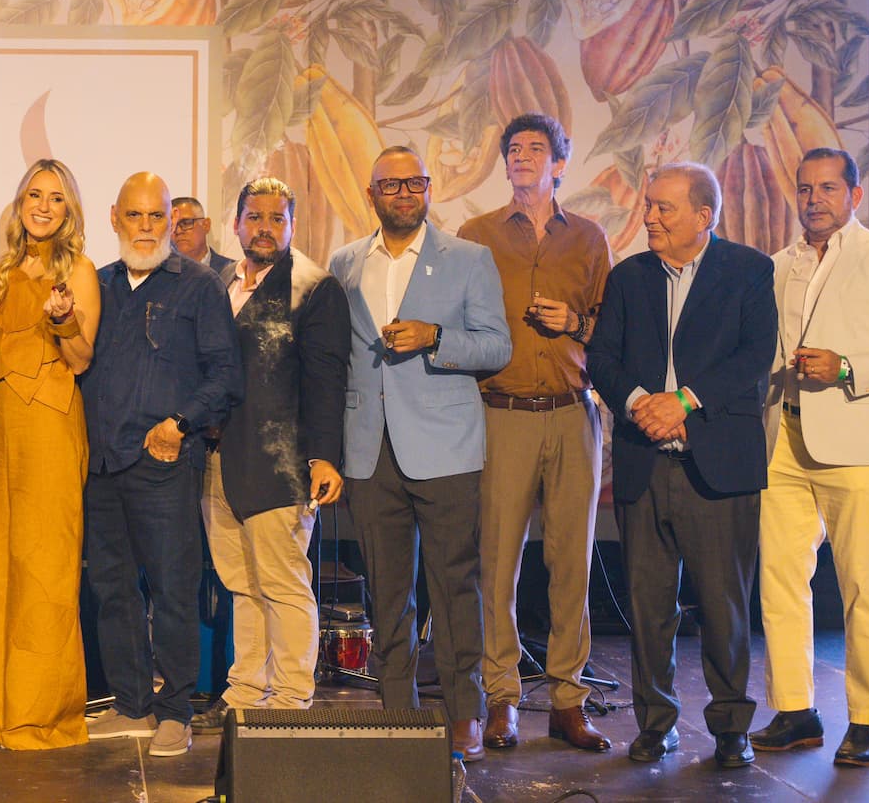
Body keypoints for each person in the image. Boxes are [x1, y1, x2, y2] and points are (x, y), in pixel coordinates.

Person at [748, 148, 869, 767]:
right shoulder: (778, 264)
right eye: (805, 189)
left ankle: (868, 718)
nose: (814, 200)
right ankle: (795, 709)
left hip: (858, 443)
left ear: (854, 195)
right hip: (784, 437)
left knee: (862, 584)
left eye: (828, 188)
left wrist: (846, 367)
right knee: (780, 580)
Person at [586, 162, 775, 770]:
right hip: (644, 463)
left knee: (724, 606)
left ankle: (730, 728)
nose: (649, 217)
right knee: (648, 606)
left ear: (703, 216)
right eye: (649, 206)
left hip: (717, 466)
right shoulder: (629, 276)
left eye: (663, 208)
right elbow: (601, 357)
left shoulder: (748, 270)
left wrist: (685, 402)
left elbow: (755, 356)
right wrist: (642, 404)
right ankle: (655, 724)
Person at [328, 146, 511, 761]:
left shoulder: (468, 259)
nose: (405, 193)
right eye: (391, 185)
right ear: (371, 194)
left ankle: (465, 713)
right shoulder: (346, 262)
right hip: (368, 447)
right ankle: (397, 712)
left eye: (415, 183)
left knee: (455, 585)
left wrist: (435, 337)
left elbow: (497, 347)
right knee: (385, 590)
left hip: (445, 445)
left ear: (429, 190)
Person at [455, 115, 614, 753]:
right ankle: (502, 698)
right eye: (514, 149)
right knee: (498, 564)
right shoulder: (477, 235)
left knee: (571, 562)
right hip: (502, 412)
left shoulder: (590, 238)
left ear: (559, 164)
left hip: (574, 411)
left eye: (535, 149)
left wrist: (573, 321)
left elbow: (610, 330)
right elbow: (459, 322)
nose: (522, 156)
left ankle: (569, 700)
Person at [81, 172, 243, 759]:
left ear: (171, 220)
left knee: (174, 590)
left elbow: (226, 375)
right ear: (114, 217)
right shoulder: (97, 284)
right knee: (113, 589)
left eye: (157, 216)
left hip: (164, 461)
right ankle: (132, 705)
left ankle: (176, 711)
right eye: (135, 215)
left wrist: (178, 424)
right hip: (102, 464)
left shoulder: (199, 285)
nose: (146, 227)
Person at [189, 176, 349, 733]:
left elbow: (327, 381)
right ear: (236, 224)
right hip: (219, 460)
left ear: (292, 225)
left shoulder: (313, 287)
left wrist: (324, 456)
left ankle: (289, 700)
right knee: (241, 583)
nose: (264, 228)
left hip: (280, 463)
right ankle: (246, 693)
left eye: (276, 218)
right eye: (254, 217)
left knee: (282, 585)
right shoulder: (221, 283)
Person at [0, 159, 99, 750]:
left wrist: (65, 319)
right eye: (35, 195)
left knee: (46, 569)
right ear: (20, 202)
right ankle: (4, 709)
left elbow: (81, 359)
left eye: (56, 197)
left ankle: (45, 711)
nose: (44, 206)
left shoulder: (78, 270)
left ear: (69, 208)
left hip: (51, 423)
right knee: (1, 566)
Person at [170, 196, 234, 272]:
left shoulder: (232, 272)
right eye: (171, 225)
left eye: (186, 223)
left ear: (206, 225)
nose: (178, 231)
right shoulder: (160, 274)